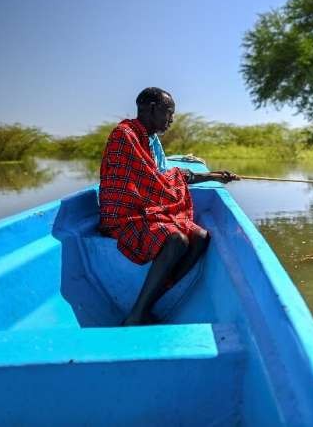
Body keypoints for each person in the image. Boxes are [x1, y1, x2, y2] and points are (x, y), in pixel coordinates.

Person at [98, 87, 239, 325]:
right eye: (168, 112)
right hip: (124, 215)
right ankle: (136, 314)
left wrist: (213, 176)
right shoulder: (124, 135)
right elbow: (154, 181)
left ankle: (155, 298)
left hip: (146, 212)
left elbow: (166, 175)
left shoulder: (150, 140)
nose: (171, 120)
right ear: (152, 109)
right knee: (176, 239)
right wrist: (177, 181)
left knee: (201, 238)